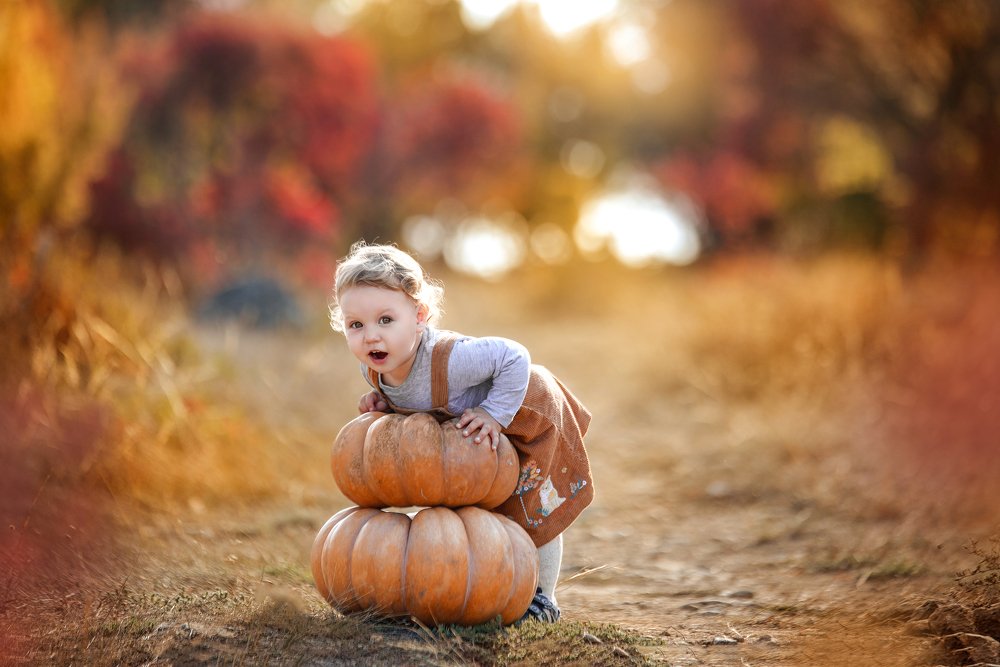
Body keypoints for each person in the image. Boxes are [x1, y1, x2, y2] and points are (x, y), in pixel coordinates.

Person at [329, 241, 595, 624]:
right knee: (481, 509)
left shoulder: (453, 360)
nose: (371, 336)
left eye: (386, 320)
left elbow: (515, 357)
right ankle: (492, 590)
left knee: (532, 508)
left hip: (527, 412)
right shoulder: (374, 367)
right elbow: (412, 394)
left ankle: (543, 599)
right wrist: (383, 400)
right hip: (479, 429)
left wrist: (493, 413)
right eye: (356, 325)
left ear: (419, 316)